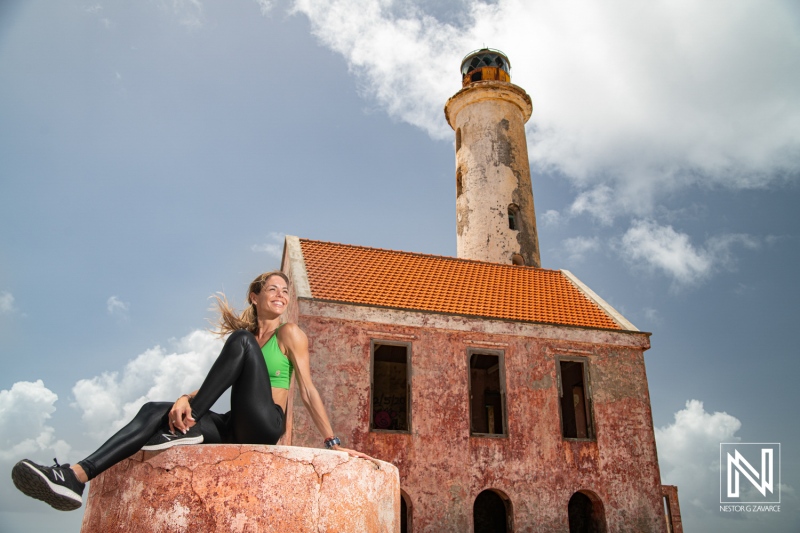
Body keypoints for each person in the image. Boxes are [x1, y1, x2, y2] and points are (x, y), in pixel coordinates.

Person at [12, 271, 377, 512]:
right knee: (154, 408)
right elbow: (215, 383)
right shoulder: (246, 341)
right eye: (272, 289)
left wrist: (332, 442)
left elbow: (309, 391)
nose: (280, 295)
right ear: (255, 296)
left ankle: (180, 431)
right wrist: (186, 398)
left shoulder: (289, 335)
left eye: (285, 291)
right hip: (233, 426)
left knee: (239, 346)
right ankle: (75, 477)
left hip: (266, 425)